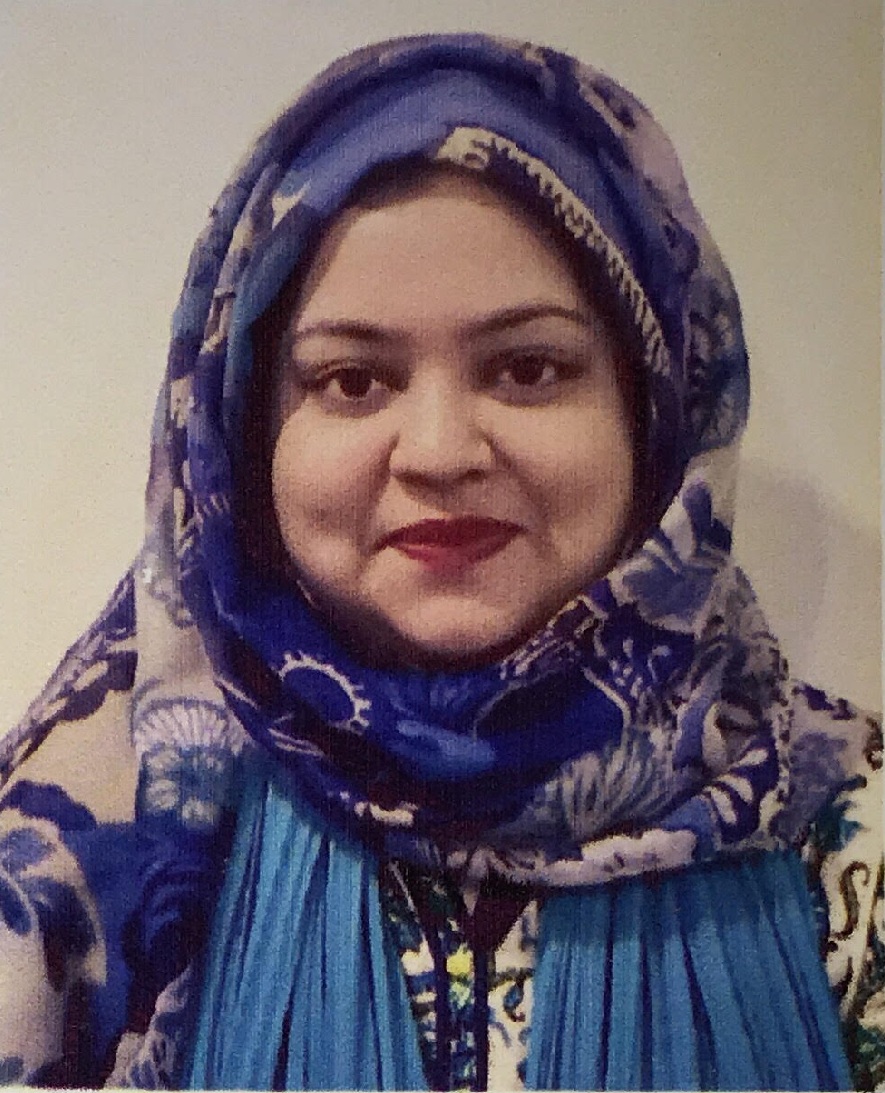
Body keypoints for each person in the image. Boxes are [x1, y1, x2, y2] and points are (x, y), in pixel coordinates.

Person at [0, 32, 881, 1091]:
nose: (440, 451)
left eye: (528, 367)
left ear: (653, 411)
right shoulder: (98, 824)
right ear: (243, 432)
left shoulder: (839, 818)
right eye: (353, 380)